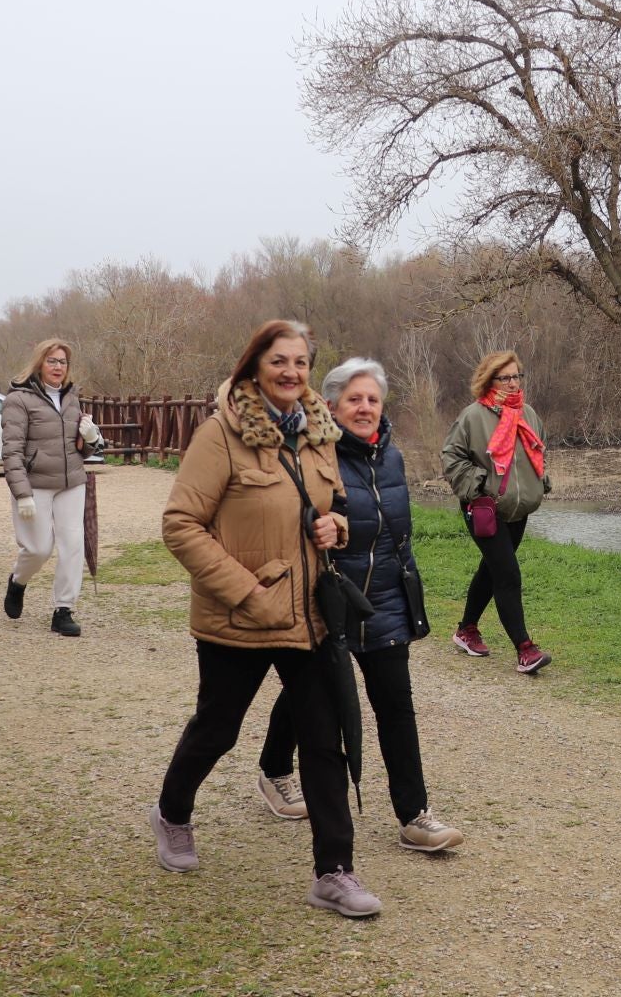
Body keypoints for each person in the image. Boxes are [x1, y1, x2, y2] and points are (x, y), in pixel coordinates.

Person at [149, 319, 382, 918]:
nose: (291, 373)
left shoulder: (319, 434)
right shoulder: (220, 434)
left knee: (322, 741)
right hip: (240, 616)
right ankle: (172, 813)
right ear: (255, 365)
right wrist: (247, 593)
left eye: (301, 362)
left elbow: (335, 510)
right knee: (217, 728)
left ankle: (334, 871)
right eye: (279, 361)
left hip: (308, 617)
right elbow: (180, 525)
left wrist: (339, 528)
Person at [259, 358, 463, 853]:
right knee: (314, 696)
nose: (365, 408)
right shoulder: (310, 454)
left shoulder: (391, 456)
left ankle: (415, 815)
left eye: (372, 399)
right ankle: (274, 770)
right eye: (354, 399)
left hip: (386, 600)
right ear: (329, 405)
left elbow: (399, 533)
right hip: (328, 597)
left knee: (396, 705)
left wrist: (408, 587)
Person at [442, 349, 553, 673]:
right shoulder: (472, 416)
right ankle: (525, 649)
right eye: (505, 377)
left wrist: (539, 480)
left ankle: (466, 630)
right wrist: (480, 486)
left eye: (516, 375)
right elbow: (452, 458)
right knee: (507, 573)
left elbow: (539, 449)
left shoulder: (528, 414)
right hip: (484, 508)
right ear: (489, 380)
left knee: (492, 570)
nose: (513, 382)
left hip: (518, 508)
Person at [0, 339, 98, 638]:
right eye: (52, 361)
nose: (58, 367)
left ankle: (63, 609)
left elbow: (81, 450)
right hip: (36, 484)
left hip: (71, 483)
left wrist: (91, 438)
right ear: (40, 363)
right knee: (39, 548)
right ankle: (18, 581)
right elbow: (12, 451)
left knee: (72, 546)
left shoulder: (72, 397)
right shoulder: (18, 399)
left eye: (63, 362)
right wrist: (22, 493)